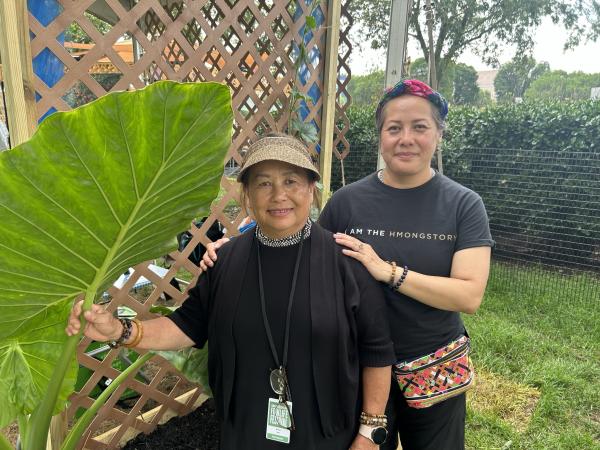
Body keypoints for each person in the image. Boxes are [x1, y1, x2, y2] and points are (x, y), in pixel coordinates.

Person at [201, 80, 494, 449]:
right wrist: (235, 247)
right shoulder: (348, 202)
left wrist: (388, 272)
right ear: (380, 137)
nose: (406, 138)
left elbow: (469, 294)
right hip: (361, 367)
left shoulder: (463, 205)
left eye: (420, 127)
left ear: (438, 133)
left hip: (430, 367)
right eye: (394, 128)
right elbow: (302, 249)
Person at [67, 134, 396, 450]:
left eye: (291, 181)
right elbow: (186, 326)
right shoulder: (224, 261)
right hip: (244, 432)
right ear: (247, 196)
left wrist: (369, 433)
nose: (278, 194)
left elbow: (377, 350)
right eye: (264, 183)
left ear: (311, 189)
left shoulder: (346, 262)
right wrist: (120, 330)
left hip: (326, 434)